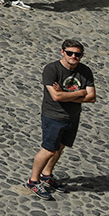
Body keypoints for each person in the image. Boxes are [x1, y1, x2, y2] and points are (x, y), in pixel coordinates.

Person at [27, 39, 95, 200]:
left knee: (60, 147)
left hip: (73, 116)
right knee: (48, 149)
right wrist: (80, 93)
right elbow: (56, 96)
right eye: (70, 53)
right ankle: (33, 180)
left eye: (77, 54)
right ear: (62, 52)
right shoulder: (51, 69)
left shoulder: (85, 71)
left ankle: (46, 175)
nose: (73, 56)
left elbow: (92, 97)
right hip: (54, 116)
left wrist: (66, 95)